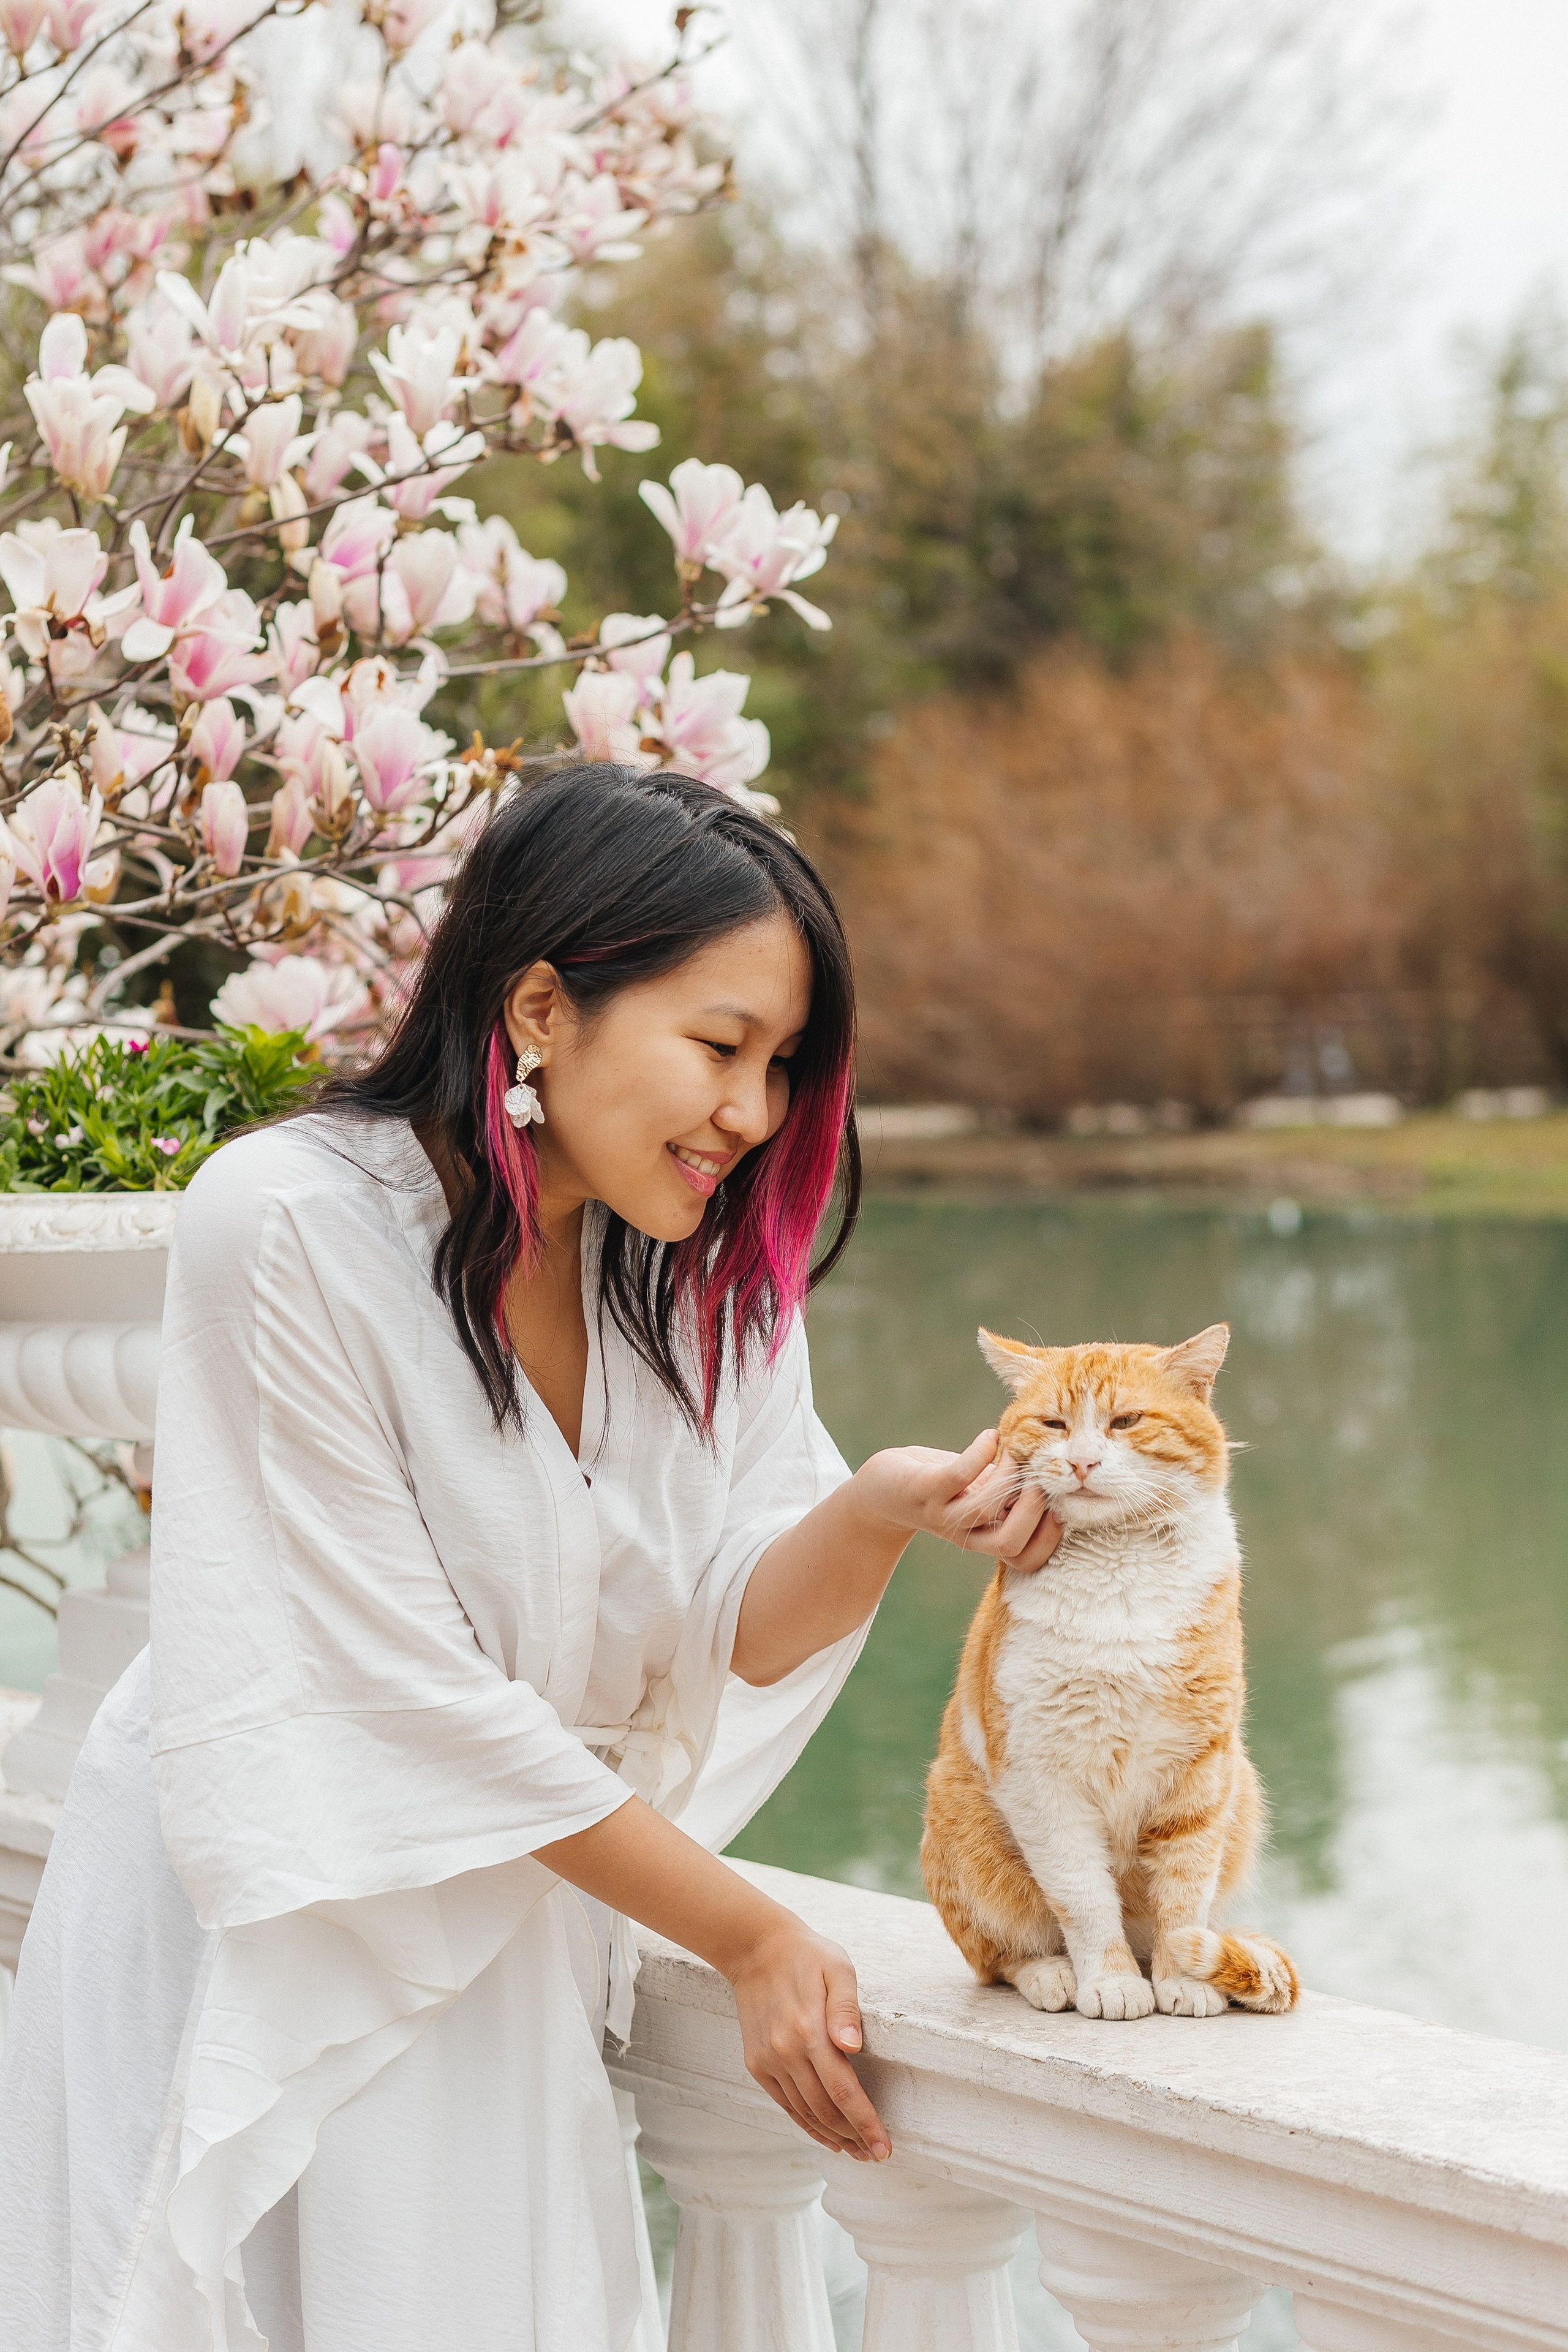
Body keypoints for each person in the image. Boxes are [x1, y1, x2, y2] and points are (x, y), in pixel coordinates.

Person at [0, 765, 1061, 2352]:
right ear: (545, 1005)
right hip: (282, 1902)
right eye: (720, 1048)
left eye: (782, 1066)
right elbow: (405, 1696)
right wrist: (749, 1932)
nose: (755, 1115)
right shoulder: (285, 1226)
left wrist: (877, 1511)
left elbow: (740, 1629)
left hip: (513, 1906)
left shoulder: (700, 1278)